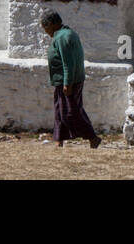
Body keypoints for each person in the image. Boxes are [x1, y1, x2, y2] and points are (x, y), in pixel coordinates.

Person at [40, 11, 101, 149]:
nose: (45, 32)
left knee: (70, 112)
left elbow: (68, 63)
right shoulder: (67, 33)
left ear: (52, 25)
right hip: (67, 80)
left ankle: (92, 137)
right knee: (59, 110)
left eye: (46, 28)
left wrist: (67, 83)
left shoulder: (62, 37)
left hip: (68, 81)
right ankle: (59, 140)